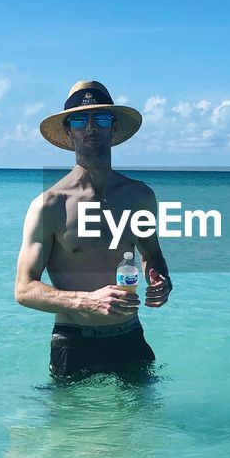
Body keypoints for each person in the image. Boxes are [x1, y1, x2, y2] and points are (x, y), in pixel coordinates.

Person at [15, 80, 172, 380]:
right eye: (79, 119)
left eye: (101, 119)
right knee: (71, 430)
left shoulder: (139, 196)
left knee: (144, 428)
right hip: (74, 343)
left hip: (130, 338)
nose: (91, 127)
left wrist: (160, 278)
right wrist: (86, 301)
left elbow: (152, 254)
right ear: (67, 131)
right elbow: (23, 290)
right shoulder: (49, 206)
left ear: (113, 129)